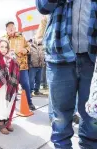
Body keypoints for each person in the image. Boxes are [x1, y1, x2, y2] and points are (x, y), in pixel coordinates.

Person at [36, 0, 97, 148]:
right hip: (60, 56)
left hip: (93, 59)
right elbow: (42, 6)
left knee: (92, 118)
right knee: (60, 119)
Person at [4, 21, 36, 111]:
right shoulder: (4, 39)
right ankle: (10, 105)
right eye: (9, 27)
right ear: (6, 29)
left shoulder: (22, 37)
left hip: (22, 66)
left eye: (12, 27)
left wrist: (25, 50)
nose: (11, 28)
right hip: (9, 67)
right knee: (10, 86)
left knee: (25, 84)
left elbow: (29, 47)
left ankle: (29, 103)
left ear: (15, 28)